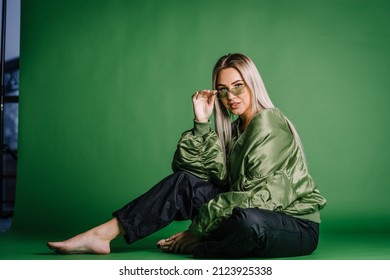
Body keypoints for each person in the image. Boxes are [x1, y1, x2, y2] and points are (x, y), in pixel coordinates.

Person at [47, 53, 326, 258]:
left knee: (248, 223)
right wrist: (202, 122)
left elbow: (265, 199)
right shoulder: (235, 128)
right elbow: (199, 174)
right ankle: (102, 234)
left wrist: (198, 231)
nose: (231, 97)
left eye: (238, 86)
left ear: (252, 83)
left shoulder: (268, 123)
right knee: (183, 182)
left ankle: (201, 246)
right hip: (246, 209)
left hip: (292, 224)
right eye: (223, 90)